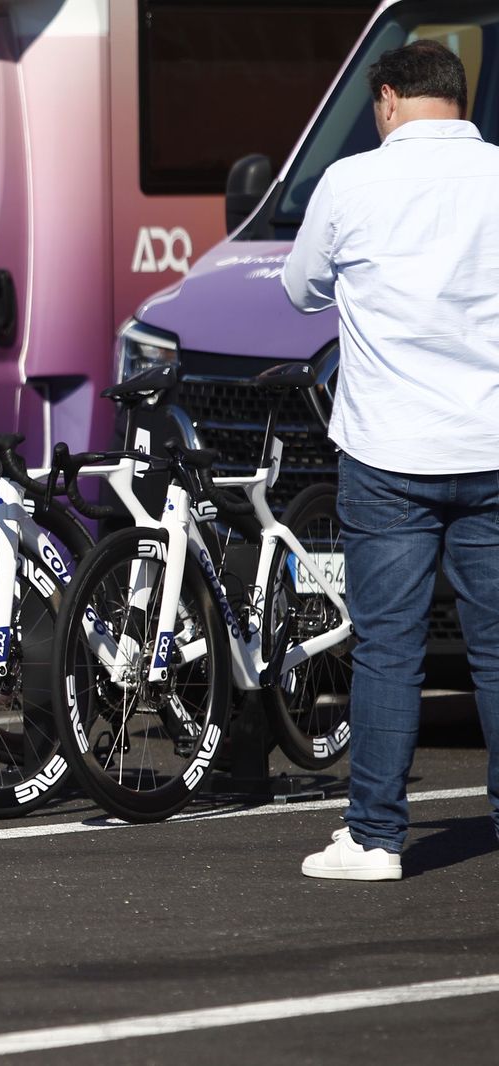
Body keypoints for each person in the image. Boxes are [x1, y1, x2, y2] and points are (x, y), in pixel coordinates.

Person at [282, 39, 499, 880]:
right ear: (458, 98)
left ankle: (374, 838)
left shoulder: (351, 183)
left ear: (386, 99)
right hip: (491, 445)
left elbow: (301, 288)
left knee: (386, 650)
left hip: (388, 453)